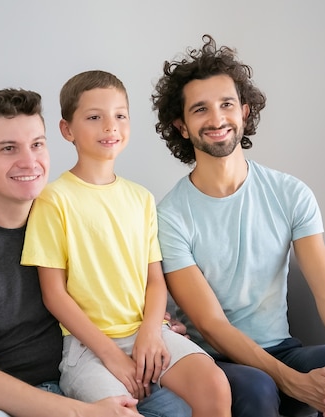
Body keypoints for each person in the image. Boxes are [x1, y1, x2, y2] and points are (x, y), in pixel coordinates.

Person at [151, 35, 325, 417]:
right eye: (200, 109)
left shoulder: (289, 192)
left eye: (226, 104)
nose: (216, 119)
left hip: (282, 348)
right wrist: (291, 381)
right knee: (259, 386)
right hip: (216, 360)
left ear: (244, 112)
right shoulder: (170, 216)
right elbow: (211, 325)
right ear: (182, 126)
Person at [0, 88, 191, 417]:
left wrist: (152, 326)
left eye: (37, 144)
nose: (29, 161)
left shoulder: (68, 212)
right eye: (8, 148)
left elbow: (120, 288)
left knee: (187, 405)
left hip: (72, 380)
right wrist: (79, 412)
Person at [21, 70, 231, 417]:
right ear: (67, 130)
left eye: (120, 115)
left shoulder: (142, 198)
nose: (110, 126)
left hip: (149, 332)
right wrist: (112, 355)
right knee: (119, 412)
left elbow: (154, 280)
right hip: (89, 347)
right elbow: (54, 295)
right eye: (94, 117)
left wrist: (151, 332)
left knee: (214, 383)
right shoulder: (53, 200)